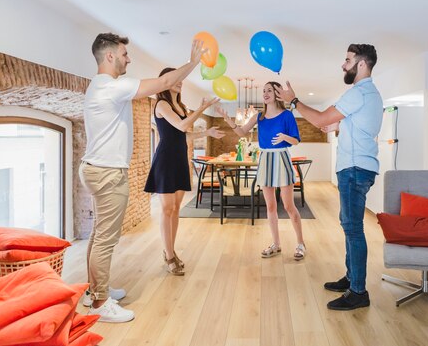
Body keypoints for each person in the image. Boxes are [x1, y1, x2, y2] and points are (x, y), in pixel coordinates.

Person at [79, 32, 204, 323]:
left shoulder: (100, 87)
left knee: (99, 235)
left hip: (98, 168)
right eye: (124, 54)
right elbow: (162, 83)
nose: (128, 58)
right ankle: (99, 303)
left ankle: (94, 290)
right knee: (106, 239)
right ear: (109, 56)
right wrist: (193, 62)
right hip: (107, 172)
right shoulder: (110, 86)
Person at [274, 44, 383, 311]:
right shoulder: (370, 95)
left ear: (361, 64)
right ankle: (351, 279)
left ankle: (358, 291)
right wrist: (336, 124)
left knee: (353, 228)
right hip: (360, 166)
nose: (342, 65)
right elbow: (331, 123)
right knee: (349, 225)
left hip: (355, 168)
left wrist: (295, 101)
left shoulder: (358, 92)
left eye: (347, 60)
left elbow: (322, 117)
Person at [144, 69, 224, 276]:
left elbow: (185, 135)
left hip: (180, 159)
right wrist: (202, 108)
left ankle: (171, 250)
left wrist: (207, 132)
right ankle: (169, 255)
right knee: (167, 209)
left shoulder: (181, 106)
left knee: (176, 207)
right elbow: (182, 124)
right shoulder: (162, 105)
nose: (180, 83)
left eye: (181, 80)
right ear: (166, 82)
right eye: (176, 79)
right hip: (165, 159)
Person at [216, 81, 306, 260]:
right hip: (265, 160)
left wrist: (284, 137)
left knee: (288, 206)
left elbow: (296, 140)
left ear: (277, 94)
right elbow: (241, 132)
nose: (265, 93)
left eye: (269, 90)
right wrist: (227, 119)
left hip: (281, 158)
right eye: (263, 91)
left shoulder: (287, 115)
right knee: (270, 206)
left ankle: (301, 243)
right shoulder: (259, 117)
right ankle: (276, 244)